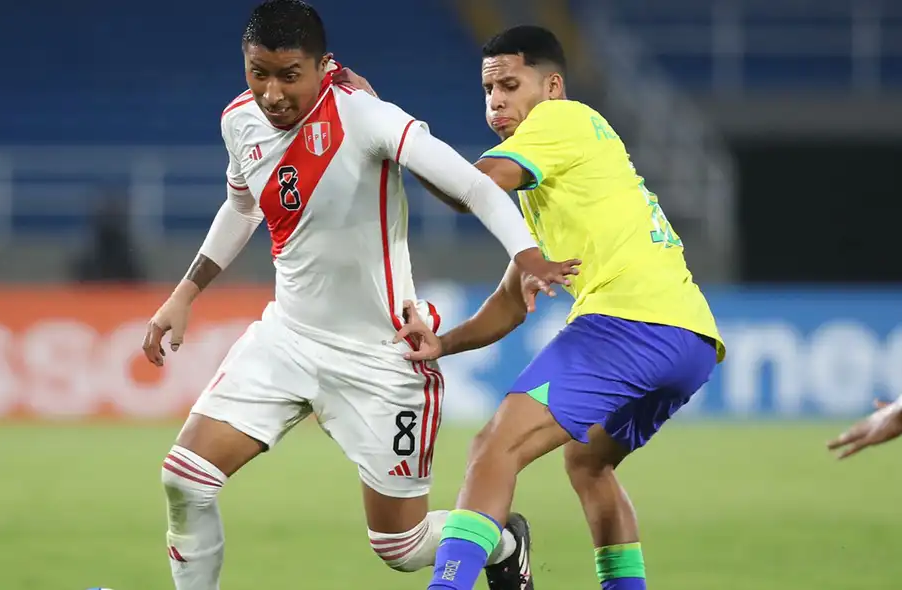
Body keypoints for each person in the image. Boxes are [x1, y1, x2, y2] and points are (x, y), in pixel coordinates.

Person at [140, 4, 579, 590]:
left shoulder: (368, 117)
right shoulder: (239, 120)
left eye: (289, 75)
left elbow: (474, 186)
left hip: (382, 357)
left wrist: (527, 254)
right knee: (185, 478)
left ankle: (503, 542)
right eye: (258, 73)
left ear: (323, 66)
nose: (271, 93)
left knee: (401, 546)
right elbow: (243, 206)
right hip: (288, 339)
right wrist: (185, 292)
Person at [350, 25, 725, 590]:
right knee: (588, 463)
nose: (496, 101)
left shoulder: (560, 120)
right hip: (690, 340)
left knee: (493, 449)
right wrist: (444, 344)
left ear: (551, 87)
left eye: (509, 85)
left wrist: (392, 131)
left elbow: (472, 188)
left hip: (630, 323)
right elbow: (510, 302)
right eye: (488, 90)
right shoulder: (554, 176)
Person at [828, 398, 902, 459]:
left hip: (892, 421)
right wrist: (889, 408)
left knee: (865, 440)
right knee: (855, 435)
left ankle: (843, 449)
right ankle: (839, 443)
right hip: (888, 415)